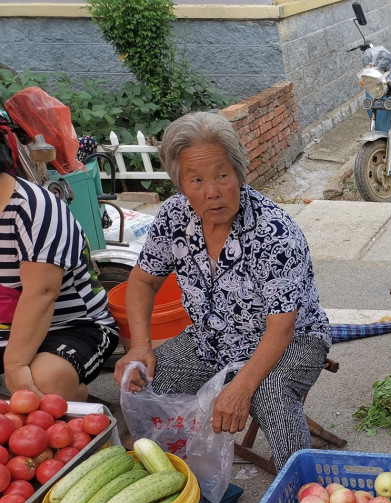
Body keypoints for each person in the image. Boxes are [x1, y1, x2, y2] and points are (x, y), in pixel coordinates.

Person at [114, 111, 332, 471]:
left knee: (271, 395)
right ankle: (169, 481)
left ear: (239, 173)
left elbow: (281, 328)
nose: (212, 192)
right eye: (196, 180)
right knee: (145, 384)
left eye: (222, 176)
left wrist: (240, 387)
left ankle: (301, 487)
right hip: (210, 338)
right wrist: (140, 346)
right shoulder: (173, 218)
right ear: (180, 182)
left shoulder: (273, 232)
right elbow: (143, 281)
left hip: (293, 340)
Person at [0, 124, 119, 401]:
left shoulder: (33, 208)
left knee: (46, 383)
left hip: (72, 325)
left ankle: (83, 410)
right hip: (7, 329)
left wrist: (15, 365)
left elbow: (41, 293)